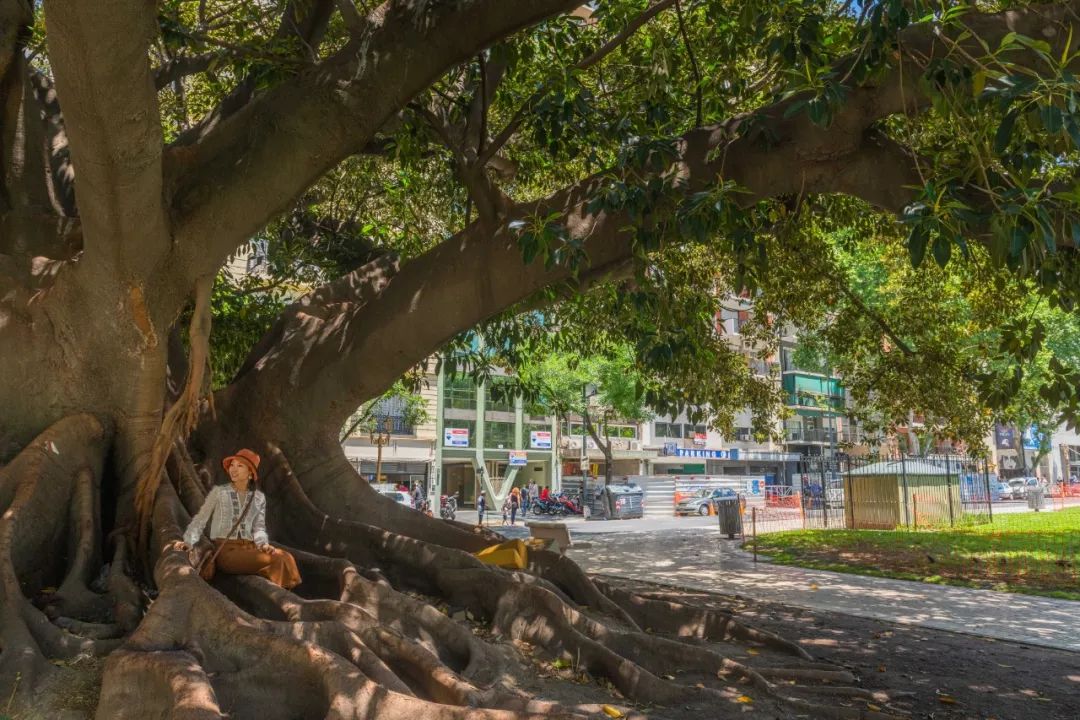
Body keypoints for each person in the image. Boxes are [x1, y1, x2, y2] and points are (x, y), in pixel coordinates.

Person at [176, 448, 301, 589]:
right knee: (278, 560)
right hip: (228, 553)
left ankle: (280, 597)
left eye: (240, 466)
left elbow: (259, 528)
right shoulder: (220, 493)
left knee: (287, 557)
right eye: (232, 465)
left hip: (251, 547)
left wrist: (264, 545)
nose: (233, 469)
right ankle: (278, 600)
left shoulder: (258, 498)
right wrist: (188, 541)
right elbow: (201, 518)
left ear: (250, 473)